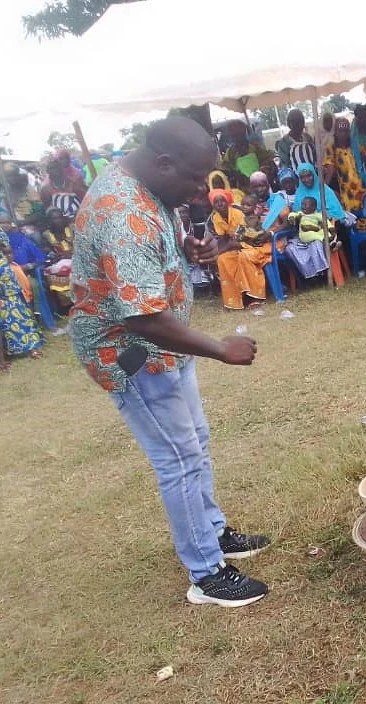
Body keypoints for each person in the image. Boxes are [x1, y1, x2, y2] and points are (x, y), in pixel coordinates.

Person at [69, 117, 269, 606]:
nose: (202, 190)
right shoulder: (122, 213)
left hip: (165, 347)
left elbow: (149, 253)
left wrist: (186, 249)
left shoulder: (149, 186)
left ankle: (212, 532)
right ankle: (206, 574)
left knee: (195, 442)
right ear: (163, 163)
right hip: (132, 353)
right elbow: (142, 319)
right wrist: (222, 349)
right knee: (178, 458)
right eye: (194, 178)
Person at [209, 189, 271, 310]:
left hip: (254, 243)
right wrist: (220, 252)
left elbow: (249, 233)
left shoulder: (238, 212)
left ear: (227, 202)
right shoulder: (216, 218)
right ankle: (235, 300)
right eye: (217, 202)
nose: (220, 204)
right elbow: (223, 239)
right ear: (213, 205)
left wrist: (232, 244)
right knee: (223, 259)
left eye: (222, 201)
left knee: (244, 256)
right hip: (237, 244)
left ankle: (255, 297)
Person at [0, 229, 44, 364]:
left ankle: (32, 348)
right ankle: (12, 352)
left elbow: (6, 246)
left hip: (13, 292)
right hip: (4, 297)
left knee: (24, 319)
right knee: (8, 325)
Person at [323, 117, 366, 212]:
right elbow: (330, 168)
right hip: (346, 191)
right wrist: (324, 187)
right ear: (335, 132)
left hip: (362, 187)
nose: (343, 134)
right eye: (340, 131)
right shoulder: (331, 148)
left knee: (365, 213)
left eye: (345, 131)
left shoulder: (356, 146)